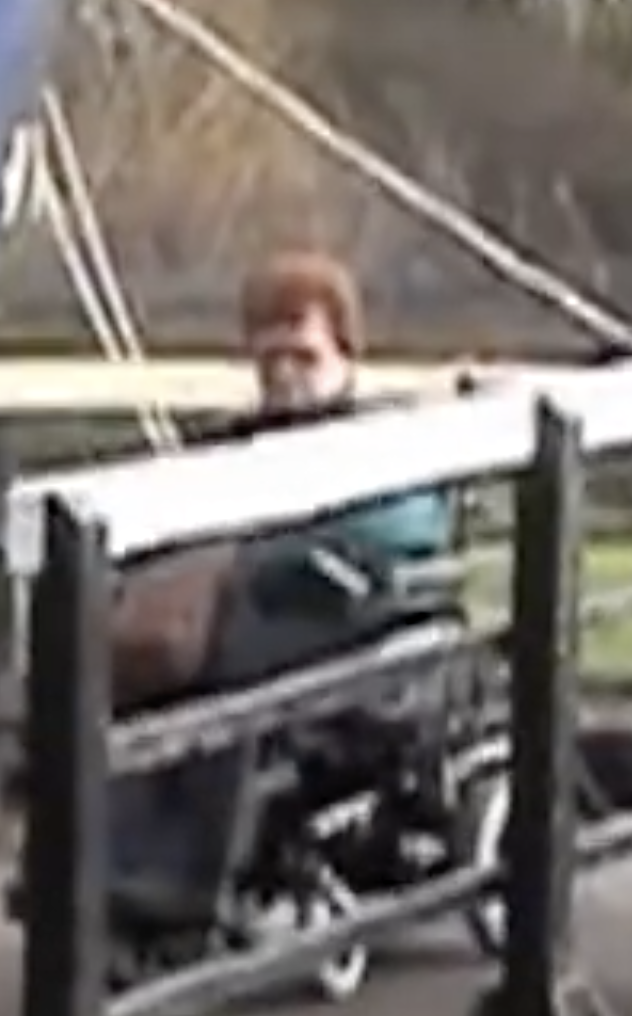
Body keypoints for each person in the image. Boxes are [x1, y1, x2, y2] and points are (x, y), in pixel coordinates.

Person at [110, 251, 458, 933]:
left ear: (345, 356)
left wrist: (274, 557)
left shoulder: (384, 444)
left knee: (229, 671)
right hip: (259, 607)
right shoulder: (237, 446)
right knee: (134, 667)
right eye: (270, 360)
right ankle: (110, 862)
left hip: (346, 615)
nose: (286, 376)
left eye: (304, 357)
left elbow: (401, 532)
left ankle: (187, 880)